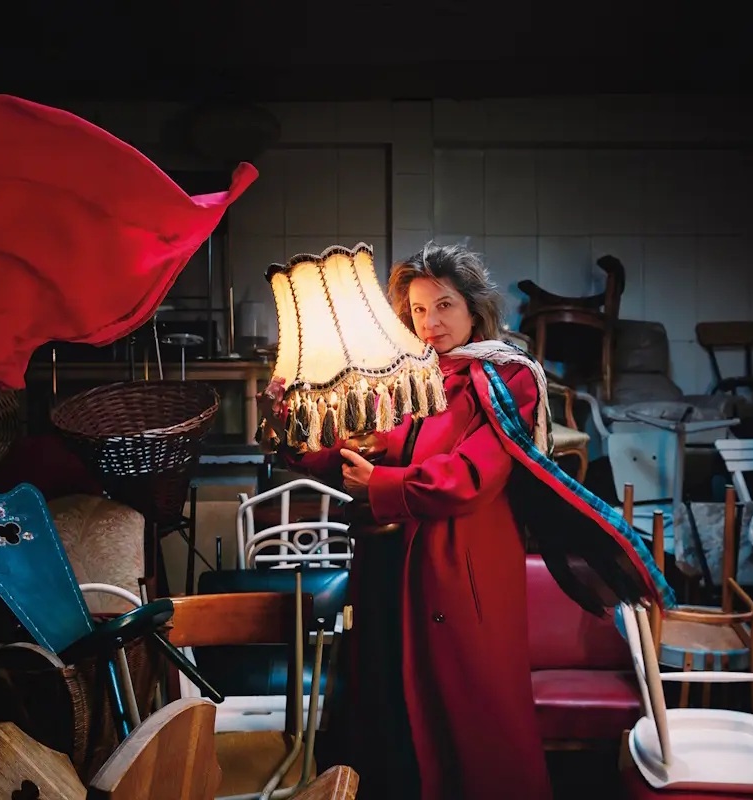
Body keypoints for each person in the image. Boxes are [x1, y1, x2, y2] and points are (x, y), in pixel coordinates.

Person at [260, 243, 672, 800]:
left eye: (444, 306)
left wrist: (380, 485)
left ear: (474, 309)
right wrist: (290, 428)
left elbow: (470, 476)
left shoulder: (507, 378)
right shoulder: (405, 375)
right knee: (392, 719)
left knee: (476, 725)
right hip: (393, 573)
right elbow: (354, 451)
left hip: (464, 572)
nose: (430, 323)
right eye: (418, 309)